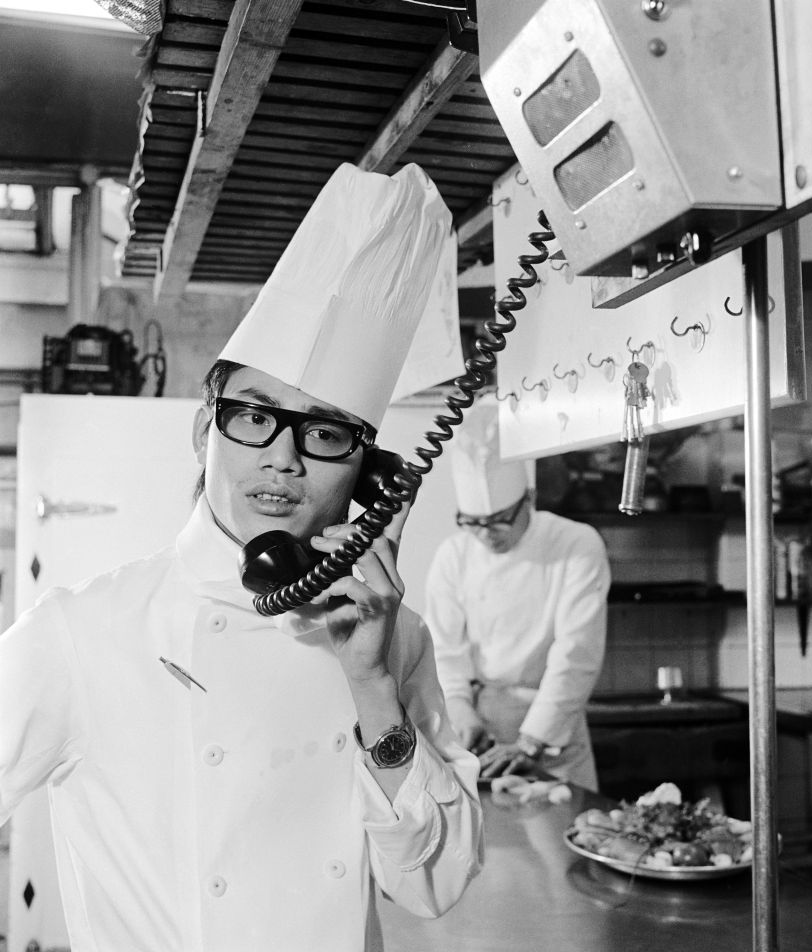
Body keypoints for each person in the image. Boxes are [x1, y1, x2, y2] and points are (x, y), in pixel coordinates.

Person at [0, 163, 484, 952]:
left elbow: (434, 886)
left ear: (368, 469)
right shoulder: (82, 633)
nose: (285, 460)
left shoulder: (396, 640)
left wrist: (369, 685)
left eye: (326, 433)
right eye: (255, 416)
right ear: (205, 429)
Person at [425, 395, 611, 791]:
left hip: (553, 730)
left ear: (527, 499)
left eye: (498, 521)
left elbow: (576, 652)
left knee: (559, 843)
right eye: (472, 522)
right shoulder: (453, 555)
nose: (485, 535)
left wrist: (531, 742)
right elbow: (444, 652)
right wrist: (461, 711)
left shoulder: (575, 543)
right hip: (480, 726)